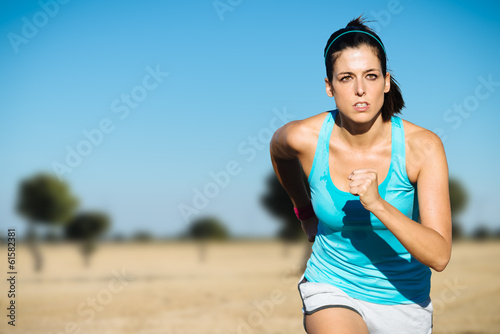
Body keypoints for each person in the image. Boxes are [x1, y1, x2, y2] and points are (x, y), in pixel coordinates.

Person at [269, 16, 451, 334]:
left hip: (404, 302)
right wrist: (304, 210)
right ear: (329, 86)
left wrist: (378, 204)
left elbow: (439, 255)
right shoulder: (306, 137)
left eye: (370, 76)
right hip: (332, 286)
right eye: (345, 78)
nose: (360, 90)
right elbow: (278, 150)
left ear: (386, 81)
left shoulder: (422, 147)